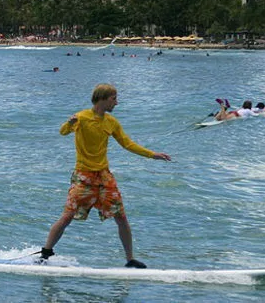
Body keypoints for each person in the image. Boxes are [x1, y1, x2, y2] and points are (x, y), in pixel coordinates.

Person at [39, 83, 172, 269]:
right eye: (113, 99)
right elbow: (62, 132)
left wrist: (152, 154)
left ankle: (130, 259)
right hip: (83, 176)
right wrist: (69, 123)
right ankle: (45, 254)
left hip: (104, 177)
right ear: (102, 99)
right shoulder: (82, 117)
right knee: (67, 216)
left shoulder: (111, 122)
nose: (116, 103)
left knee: (121, 217)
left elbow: (127, 143)